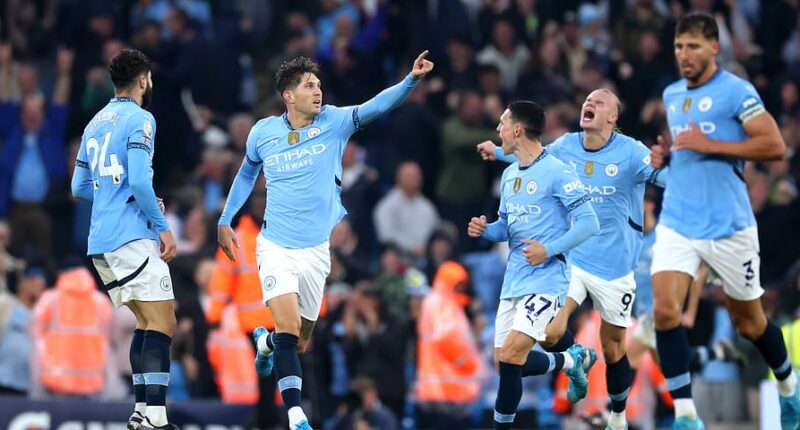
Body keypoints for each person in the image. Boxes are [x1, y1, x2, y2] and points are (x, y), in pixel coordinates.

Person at [216, 52, 433, 430]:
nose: (318, 91)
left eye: (318, 84)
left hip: (316, 251)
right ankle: (296, 414)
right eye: (309, 86)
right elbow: (247, 173)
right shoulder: (263, 133)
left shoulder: (334, 121)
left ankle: (266, 344)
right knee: (287, 327)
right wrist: (225, 219)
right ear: (288, 96)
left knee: (300, 341)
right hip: (276, 247)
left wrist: (410, 80)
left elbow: (377, 106)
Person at [478, 88, 667, 430]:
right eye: (587, 100)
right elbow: (535, 159)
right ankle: (573, 358)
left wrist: (671, 163)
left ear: (613, 117)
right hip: (574, 259)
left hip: (615, 265)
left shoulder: (631, 152)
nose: (589, 103)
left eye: (600, 102)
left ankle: (618, 416)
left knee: (614, 349)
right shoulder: (565, 146)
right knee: (549, 333)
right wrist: (498, 151)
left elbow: (667, 179)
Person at [648, 13, 796, 430]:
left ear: (714, 48)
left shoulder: (737, 91)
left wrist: (710, 144)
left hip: (729, 225)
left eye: (693, 46)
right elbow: (689, 153)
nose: (684, 55)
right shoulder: (672, 94)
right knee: (664, 312)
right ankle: (686, 415)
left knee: (750, 324)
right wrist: (667, 159)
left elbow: (775, 146)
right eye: (679, 47)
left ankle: (788, 387)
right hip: (679, 219)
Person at [467, 101, 600, 429]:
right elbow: (505, 228)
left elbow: (589, 223)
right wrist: (486, 229)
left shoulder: (557, 171)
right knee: (504, 364)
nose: (497, 129)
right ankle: (569, 361)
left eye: (502, 123)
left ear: (517, 129)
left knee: (512, 354)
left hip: (547, 278)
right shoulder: (510, 175)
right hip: (514, 279)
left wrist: (549, 250)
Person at [71, 49, 178, 430]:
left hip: (101, 240)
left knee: (146, 322)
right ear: (143, 79)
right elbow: (139, 181)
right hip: (131, 236)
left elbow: (79, 186)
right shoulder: (141, 119)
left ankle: (141, 413)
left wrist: (113, 196)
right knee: (164, 320)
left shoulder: (94, 123)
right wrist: (162, 225)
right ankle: (157, 419)